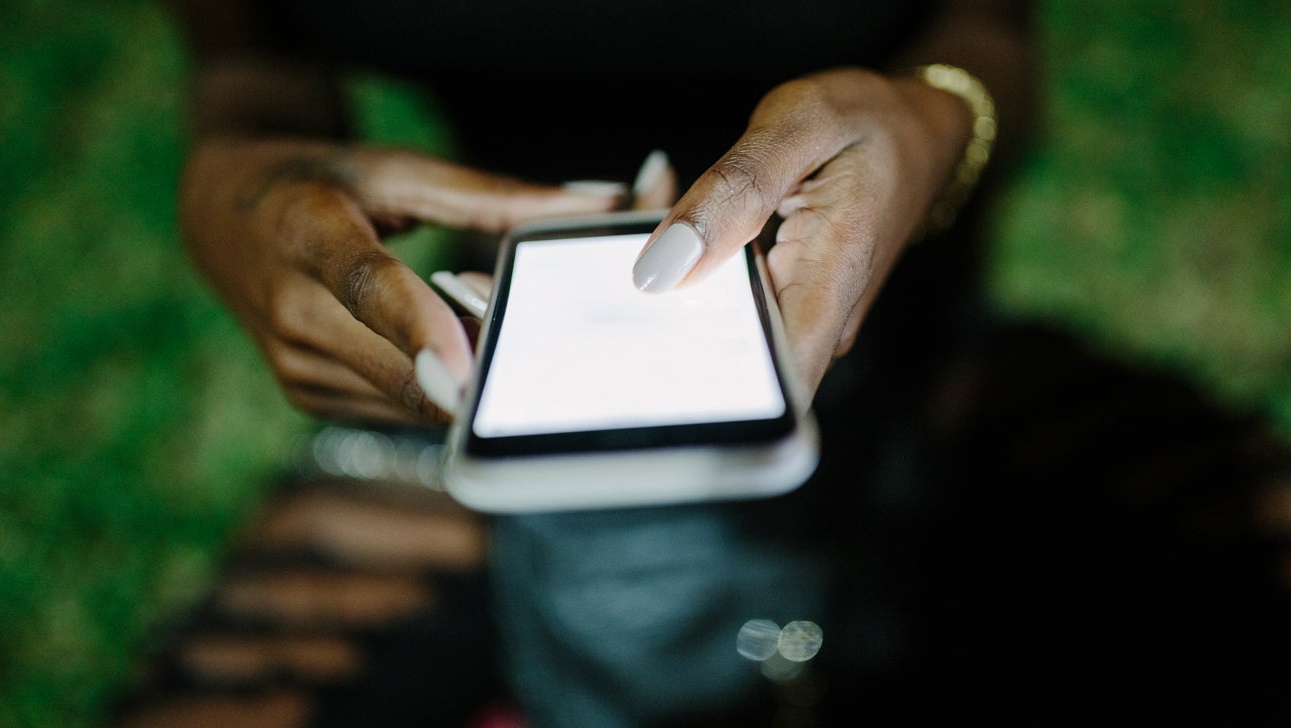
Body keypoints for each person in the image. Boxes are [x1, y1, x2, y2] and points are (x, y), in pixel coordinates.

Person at [163, 0, 1034, 724]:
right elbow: (246, 57)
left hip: (894, 291)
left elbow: (988, 28)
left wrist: (940, 119)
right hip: (527, 323)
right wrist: (232, 180)